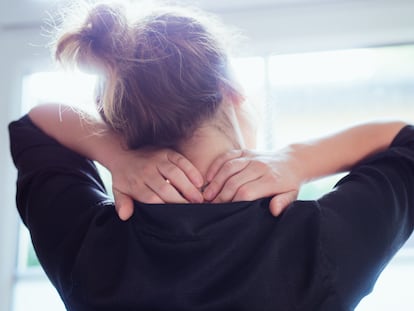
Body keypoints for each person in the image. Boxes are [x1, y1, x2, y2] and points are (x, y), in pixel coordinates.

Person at [8, 2, 414, 311]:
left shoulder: (92, 252)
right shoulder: (317, 246)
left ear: (123, 124)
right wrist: (296, 159)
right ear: (229, 88)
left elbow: (32, 126)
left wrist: (114, 154)